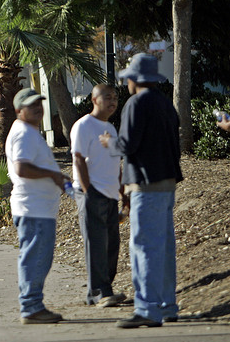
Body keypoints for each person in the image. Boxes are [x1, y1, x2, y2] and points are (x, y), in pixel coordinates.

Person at [99, 53, 183, 328]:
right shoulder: (165, 105)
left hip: (145, 184)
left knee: (144, 247)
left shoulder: (135, 103)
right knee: (165, 247)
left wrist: (109, 142)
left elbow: (127, 145)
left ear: (135, 80)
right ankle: (167, 305)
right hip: (167, 182)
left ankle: (147, 308)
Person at [6, 88, 69, 324]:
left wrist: (58, 177)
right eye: (31, 105)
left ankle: (32, 304)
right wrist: (54, 176)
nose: (37, 108)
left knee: (37, 258)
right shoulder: (24, 133)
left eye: (39, 103)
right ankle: (31, 307)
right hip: (33, 208)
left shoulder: (28, 131)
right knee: (36, 258)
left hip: (37, 208)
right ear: (18, 110)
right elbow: (22, 168)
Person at [70, 84, 125, 308]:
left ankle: (107, 288)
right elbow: (78, 160)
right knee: (95, 244)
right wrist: (87, 191)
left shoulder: (111, 128)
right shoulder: (83, 125)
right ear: (94, 99)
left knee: (112, 244)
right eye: (107, 97)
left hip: (111, 194)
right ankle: (97, 293)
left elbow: (116, 164)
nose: (112, 101)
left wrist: (124, 194)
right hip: (91, 192)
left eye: (115, 98)